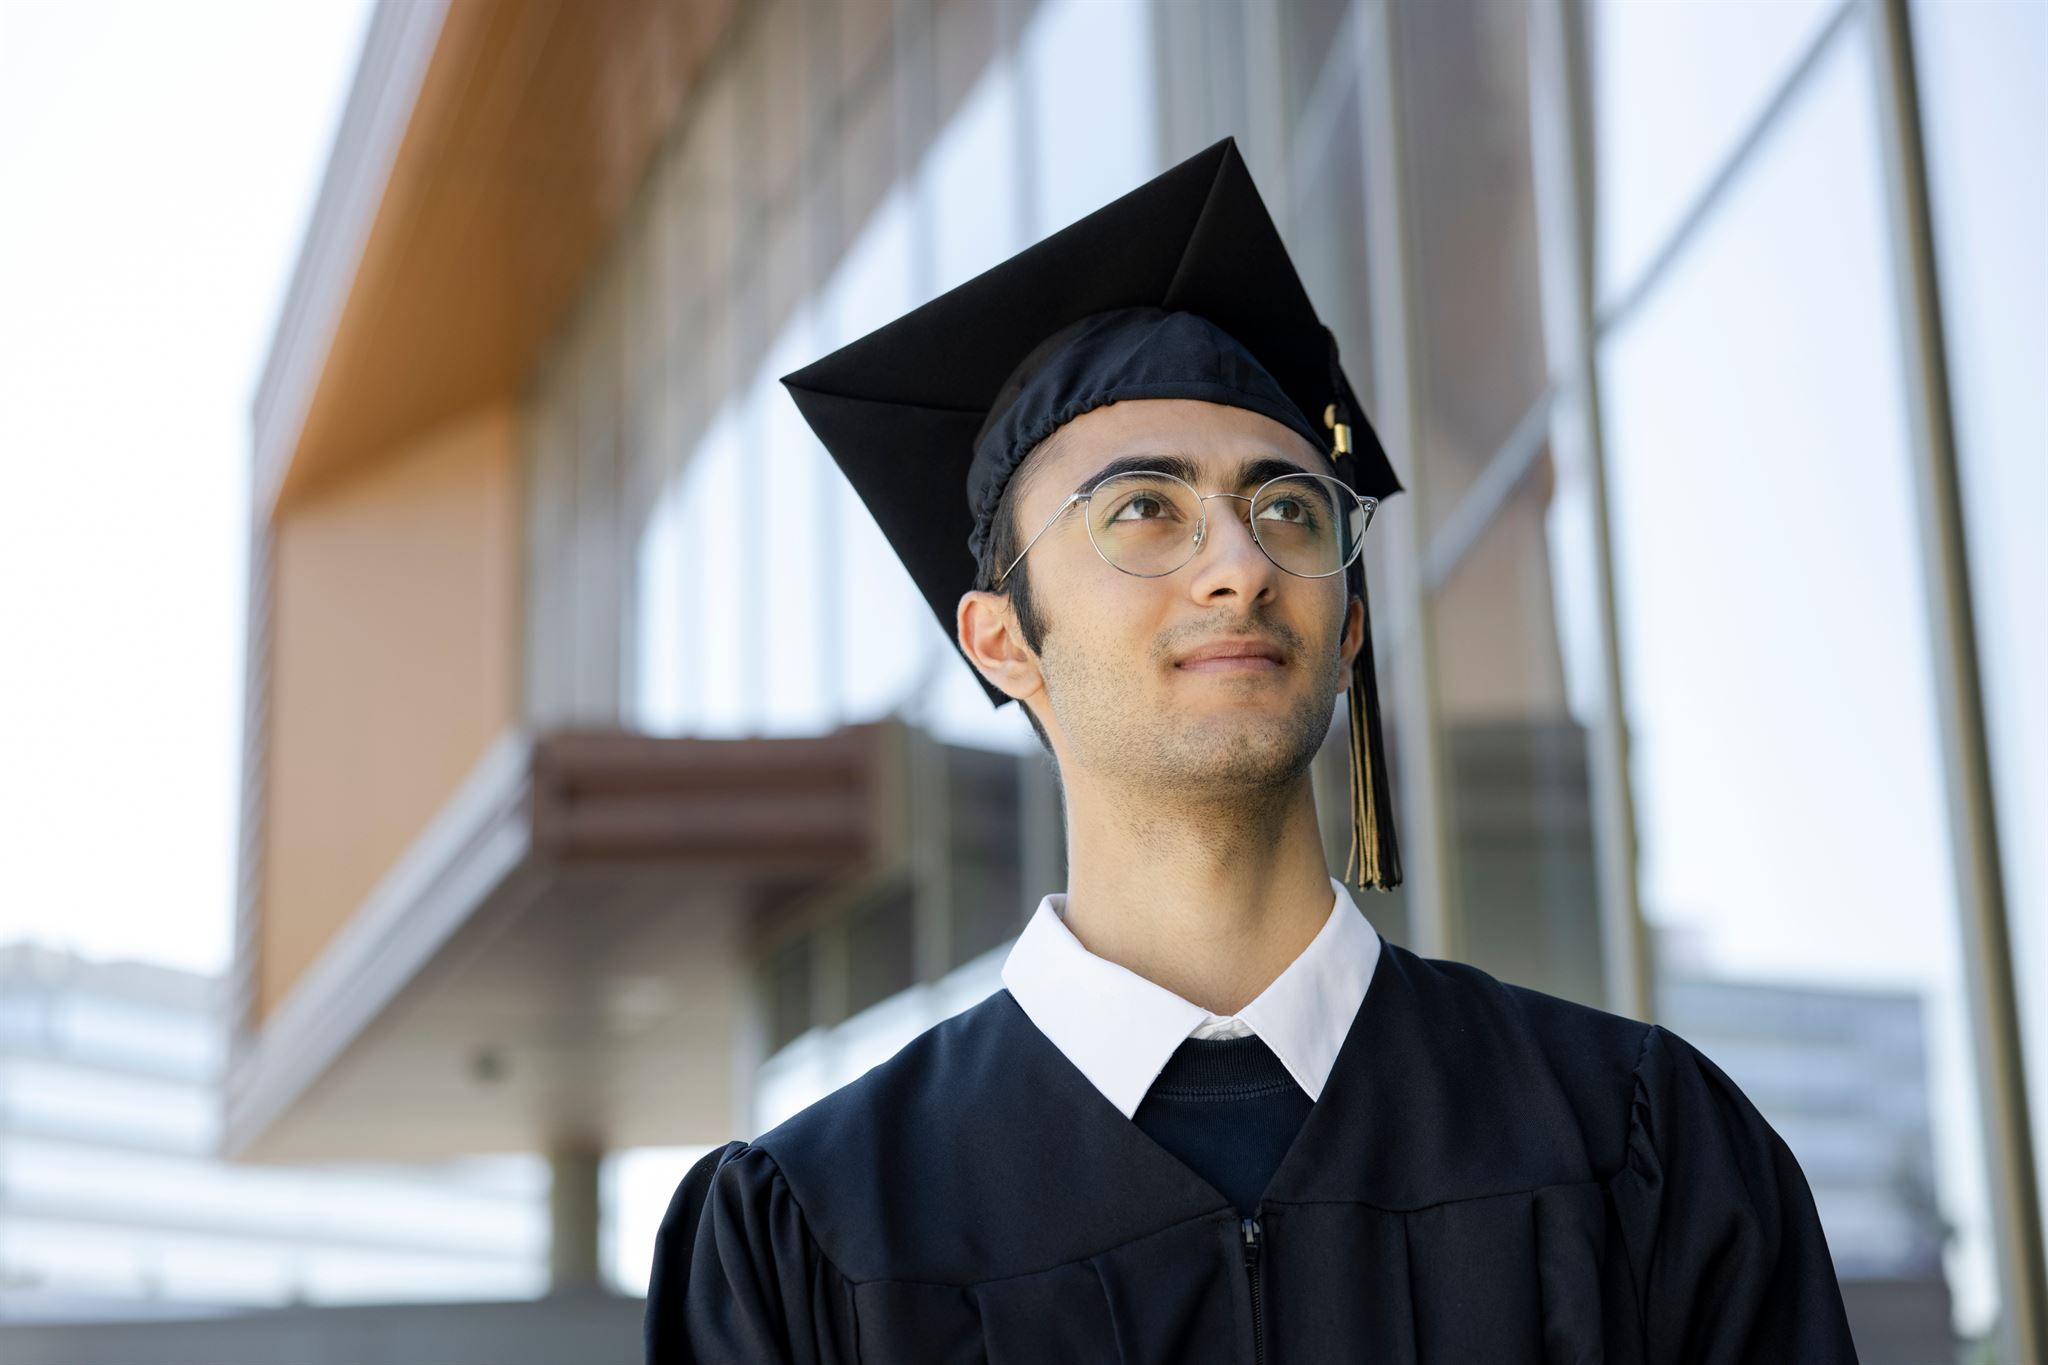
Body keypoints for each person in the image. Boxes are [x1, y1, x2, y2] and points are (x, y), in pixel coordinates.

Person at [643, 136, 1859, 1364]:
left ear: (1347, 631)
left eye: (1287, 509)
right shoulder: (813, 1233)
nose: (1238, 565)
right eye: (1142, 510)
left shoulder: (1634, 1144)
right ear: (1002, 642)